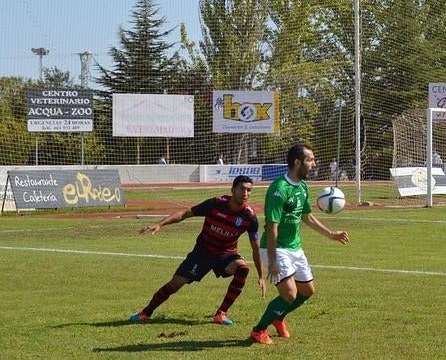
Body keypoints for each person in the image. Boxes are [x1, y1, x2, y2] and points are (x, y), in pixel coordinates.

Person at [129, 175, 266, 325]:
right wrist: (160, 224)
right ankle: (146, 312)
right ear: (233, 189)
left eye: (249, 190)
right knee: (175, 284)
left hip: (226, 254)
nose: (245, 193)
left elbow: (255, 248)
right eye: (242, 189)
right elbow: (185, 214)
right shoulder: (215, 204)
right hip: (203, 252)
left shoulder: (249, 217)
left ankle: (221, 314)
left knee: (243, 268)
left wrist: (261, 276)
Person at [249, 144, 350, 345]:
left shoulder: (302, 187)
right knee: (289, 293)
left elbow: (307, 217)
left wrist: (331, 234)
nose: (313, 164)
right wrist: (274, 259)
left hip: (295, 247)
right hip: (275, 247)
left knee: (307, 291)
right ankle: (258, 330)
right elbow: (272, 228)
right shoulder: (279, 189)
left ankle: (278, 317)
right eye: (310, 160)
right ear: (298, 162)